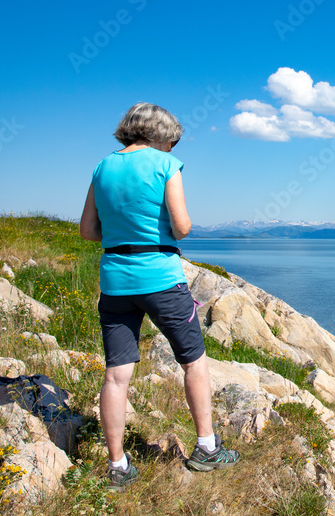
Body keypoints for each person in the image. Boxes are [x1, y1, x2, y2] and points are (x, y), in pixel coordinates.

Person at [79, 102, 239, 490]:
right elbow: (181, 227)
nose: (174, 146)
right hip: (161, 278)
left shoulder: (103, 166)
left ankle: (117, 467)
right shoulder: (167, 165)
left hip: (115, 280)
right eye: (174, 140)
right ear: (160, 135)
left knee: (117, 376)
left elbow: (87, 230)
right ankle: (206, 449)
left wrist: (123, 235)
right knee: (194, 360)